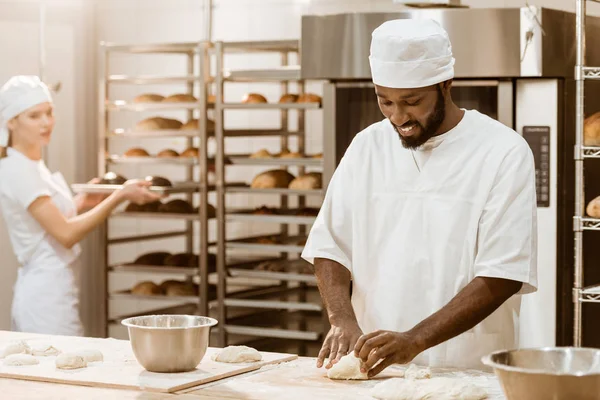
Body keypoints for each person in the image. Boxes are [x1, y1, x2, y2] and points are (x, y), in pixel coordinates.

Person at [302, 19, 537, 376]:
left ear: (446, 84)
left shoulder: (503, 151)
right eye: (386, 102)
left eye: (412, 102)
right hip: (375, 368)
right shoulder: (367, 146)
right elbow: (329, 245)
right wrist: (342, 319)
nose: (399, 117)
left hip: (466, 368)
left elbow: (502, 274)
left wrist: (415, 339)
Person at [0, 75, 161, 336]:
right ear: (11, 121)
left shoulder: (30, 164)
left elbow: (47, 224)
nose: (46, 123)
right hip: (44, 300)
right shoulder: (18, 170)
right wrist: (119, 196)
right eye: (34, 116)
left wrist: (83, 202)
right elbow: (65, 234)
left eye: (49, 113)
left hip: (54, 289)